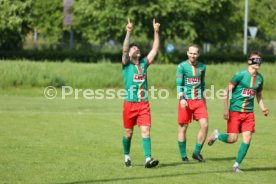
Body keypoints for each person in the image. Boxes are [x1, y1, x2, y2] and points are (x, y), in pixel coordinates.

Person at [208, 51, 269, 172]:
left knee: (248, 137)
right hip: (235, 112)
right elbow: (226, 91)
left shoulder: (260, 79)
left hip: (249, 113)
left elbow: (259, 95)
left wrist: (263, 108)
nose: (257, 62)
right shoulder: (240, 75)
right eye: (254, 59)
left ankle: (236, 166)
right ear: (249, 61)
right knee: (232, 139)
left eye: (259, 60)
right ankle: (217, 135)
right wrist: (226, 109)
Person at [121, 18, 160, 168]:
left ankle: (148, 159)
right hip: (129, 105)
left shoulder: (143, 63)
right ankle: (126, 155)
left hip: (143, 104)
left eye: (136, 48)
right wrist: (128, 33)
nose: (135, 49)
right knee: (128, 133)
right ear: (130, 54)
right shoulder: (126, 64)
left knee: (146, 130)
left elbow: (155, 50)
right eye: (133, 48)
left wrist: (156, 32)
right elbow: (124, 49)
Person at [176, 44, 208, 162]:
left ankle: (196, 153)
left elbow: (203, 85)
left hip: (199, 101)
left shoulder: (202, 67)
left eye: (195, 53)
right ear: (187, 53)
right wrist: (182, 99)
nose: (193, 55)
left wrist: (205, 100)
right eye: (191, 53)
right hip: (186, 101)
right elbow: (179, 85)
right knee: (183, 127)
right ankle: (184, 156)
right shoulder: (181, 67)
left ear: (198, 54)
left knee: (205, 125)